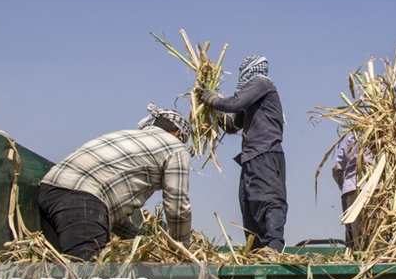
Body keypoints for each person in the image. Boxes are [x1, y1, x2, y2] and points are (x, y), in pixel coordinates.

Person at [38, 104, 194, 260]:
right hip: (82, 199)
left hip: (50, 191)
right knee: (88, 274)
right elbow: (177, 204)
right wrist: (182, 249)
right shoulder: (175, 147)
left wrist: (139, 238)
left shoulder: (126, 136)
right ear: (178, 133)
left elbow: (106, 207)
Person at [198, 55, 287, 253]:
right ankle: (256, 251)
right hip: (251, 157)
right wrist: (212, 112)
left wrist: (213, 99)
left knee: (269, 199)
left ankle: (273, 246)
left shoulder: (261, 82)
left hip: (266, 153)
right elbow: (233, 125)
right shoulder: (251, 98)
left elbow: (233, 104)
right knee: (249, 203)